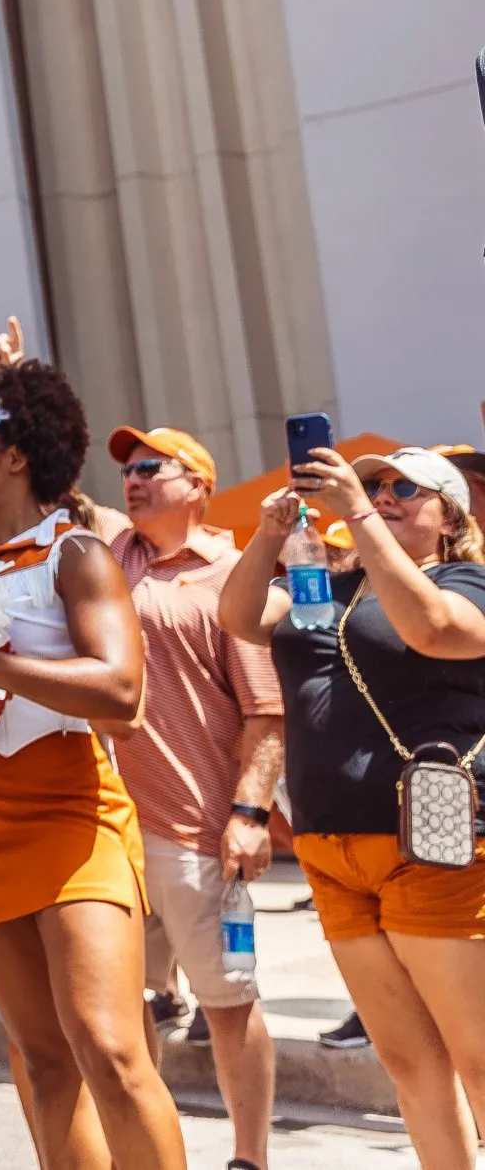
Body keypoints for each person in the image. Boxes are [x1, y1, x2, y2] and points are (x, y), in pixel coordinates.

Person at [0, 356, 186, 1168]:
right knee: (41, 1061)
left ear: (18, 456)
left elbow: (119, 691)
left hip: (73, 817)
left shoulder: (74, 554)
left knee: (108, 1047)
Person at [221, 446, 485, 1170]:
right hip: (331, 847)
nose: (385, 494)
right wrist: (269, 536)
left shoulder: (466, 581)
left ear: (450, 516)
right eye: (374, 484)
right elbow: (240, 617)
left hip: (431, 842)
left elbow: (432, 628)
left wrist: (359, 514)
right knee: (410, 1065)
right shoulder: (326, 588)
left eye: (407, 487)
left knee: (479, 1059)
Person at [107, 425, 283, 1170]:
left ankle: (249, 1158)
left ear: (200, 487)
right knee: (117, 1006)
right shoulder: (113, 557)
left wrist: (249, 813)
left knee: (226, 997)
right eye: (127, 470)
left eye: (152, 467)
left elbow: (266, 713)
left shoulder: (230, 575)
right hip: (106, 827)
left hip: (195, 828)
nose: (133, 479)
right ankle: (143, 1149)